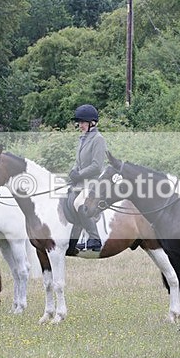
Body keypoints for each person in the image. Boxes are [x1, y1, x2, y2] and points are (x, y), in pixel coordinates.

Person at [68, 104, 107, 252]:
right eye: (79, 122)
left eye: (83, 122)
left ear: (92, 123)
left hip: (93, 181)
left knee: (79, 203)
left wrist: (80, 174)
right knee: (67, 199)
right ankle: (72, 242)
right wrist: (73, 172)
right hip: (80, 181)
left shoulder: (98, 139)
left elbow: (97, 166)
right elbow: (77, 161)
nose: (80, 125)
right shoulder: (83, 139)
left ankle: (95, 238)